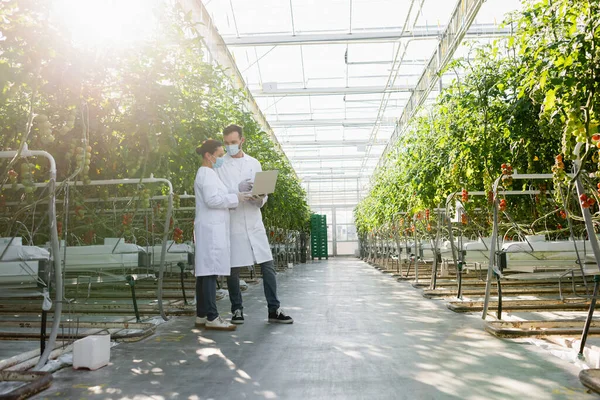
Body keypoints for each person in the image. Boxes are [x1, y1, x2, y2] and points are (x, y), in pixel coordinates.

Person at [215, 124, 293, 325]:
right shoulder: (220, 164)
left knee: (267, 265)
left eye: (233, 142)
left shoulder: (254, 163)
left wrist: (260, 199)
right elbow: (220, 193)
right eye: (227, 143)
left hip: (254, 220)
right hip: (233, 221)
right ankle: (237, 309)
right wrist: (237, 190)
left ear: (242, 140)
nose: (230, 146)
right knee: (234, 268)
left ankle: (274, 309)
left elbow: (262, 191)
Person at [194, 139, 247, 331]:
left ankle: (201, 315)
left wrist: (238, 193)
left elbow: (219, 195)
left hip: (211, 228)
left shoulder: (209, 173)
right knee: (209, 271)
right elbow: (212, 200)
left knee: (204, 271)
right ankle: (212, 317)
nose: (221, 158)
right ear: (209, 156)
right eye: (219, 154)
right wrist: (235, 198)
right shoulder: (207, 174)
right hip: (211, 230)